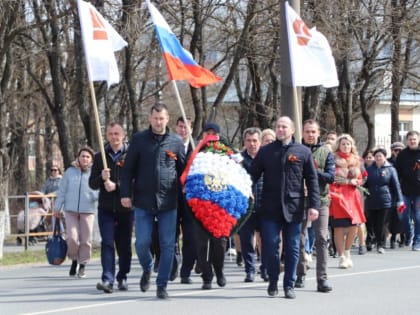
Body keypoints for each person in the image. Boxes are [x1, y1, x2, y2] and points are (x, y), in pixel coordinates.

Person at [120, 104, 186, 299]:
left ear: (167, 119)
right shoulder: (139, 140)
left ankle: (161, 284)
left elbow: (184, 170)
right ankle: (147, 267)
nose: (158, 122)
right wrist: (125, 194)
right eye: (155, 118)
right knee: (141, 243)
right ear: (150, 119)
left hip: (168, 202)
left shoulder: (176, 142)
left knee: (167, 245)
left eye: (162, 118)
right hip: (143, 201)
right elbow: (128, 170)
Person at [250, 116, 320, 299]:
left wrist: (314, 205)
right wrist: (243, 188)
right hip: (270, 208)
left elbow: (312, 180)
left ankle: (289, 284)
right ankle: (273, 280)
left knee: (293, 247)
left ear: (292, 130)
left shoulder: (303, 151)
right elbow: (252, 175)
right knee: (271, 246)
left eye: (284, 127)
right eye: (278, 126)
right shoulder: (265, 152)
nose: (280, 129)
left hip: (294, 207)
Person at [89, 123, 134, 294]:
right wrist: (101, 177)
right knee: (107, 243)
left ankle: (122, 275)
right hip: (106, 208)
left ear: (123, 135)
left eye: (117, 134)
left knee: (124, 245)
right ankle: (108, 278)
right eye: (110, 134)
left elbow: (135, 181)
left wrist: (117, 186)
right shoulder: (100, 156)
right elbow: (92, 184)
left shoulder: (131, 155)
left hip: (126, 208)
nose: (114, 137)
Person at [295, 119, 335, 293]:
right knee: (299, 238)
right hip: (299, 199)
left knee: (321, 238)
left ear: (318, 133)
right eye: (307, 131)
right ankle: (300, 274)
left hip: (321, 200)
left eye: (313, 132)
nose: (310, 135)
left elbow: (330, 176)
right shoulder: (296, 150)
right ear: (302, 133)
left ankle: (322, 279)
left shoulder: (326, 152)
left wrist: (312, 171)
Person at [54, 146, 98, 278]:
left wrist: (93, 196)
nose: (84, 158)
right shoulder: (70, 172)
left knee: (86, 239)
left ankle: (83, 264)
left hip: (88, 210)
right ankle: (74, 260)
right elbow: (62, 191)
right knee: (72, 238)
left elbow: (99, 189)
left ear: (91, 160)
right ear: (78, 158)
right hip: (70, 210)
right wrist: (57, 207)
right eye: (82, 156)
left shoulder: (95, 172)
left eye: (87, 157)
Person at [194, 122, 229, 290]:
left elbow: (238, 174)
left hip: (220, 205)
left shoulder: (227, 154)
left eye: (213, 134)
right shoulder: (196, 154)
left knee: (220, 242)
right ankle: (206, 276)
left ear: (219, 136)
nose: (210, 137)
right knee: (201, 243)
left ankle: (219, 270)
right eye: (207, 133)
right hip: (200, 204)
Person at [329, 134, 366, 269]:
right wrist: (348, 181)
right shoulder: (332, 159)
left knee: (354, 227)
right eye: (343, 144)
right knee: (338, 228)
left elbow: (361, 177)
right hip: (338, 196)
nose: (346, 146)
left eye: (348, 144)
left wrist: (357, 181)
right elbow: (331, 178)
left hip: (353, 197)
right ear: (339, 145)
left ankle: (347, 251)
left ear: (352, 146)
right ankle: (341, 257)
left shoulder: (356, 160)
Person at [364, 148, 404, 254]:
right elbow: (365, 183)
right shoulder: (369, 169)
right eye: (376, 156)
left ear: (385, 157)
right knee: (372, 222)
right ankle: (373, 240)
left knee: (382, 223)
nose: (378, 158)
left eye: (380, 156)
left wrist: (400, 200)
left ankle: (381, 244)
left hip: (385, 200)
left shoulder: (390, 169)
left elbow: (396, 186)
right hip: (371, 199)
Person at [238, 127, 264, 282]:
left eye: (255, 140)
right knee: (247, 240)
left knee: (266, 239)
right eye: (248, 140)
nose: (252, 144)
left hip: (264, 203)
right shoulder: (238, 159)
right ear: (244, 142)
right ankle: (250, 270)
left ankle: (265, 268)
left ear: (260, 142)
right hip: (245, 205)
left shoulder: (267, 157)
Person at [174, 116, 197, 284]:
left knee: (190, 236)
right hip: (171, 197)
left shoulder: (197, 148)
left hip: (190, 199)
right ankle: (172, 265)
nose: (183, 130)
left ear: (191, 129)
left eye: (186, 127)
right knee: (171, 236)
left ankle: (186, 271)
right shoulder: (169, 145)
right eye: (181, 127)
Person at [395, 130, 420, 251]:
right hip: (404, 191)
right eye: (410, 139)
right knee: (403, 216)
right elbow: (396, 172)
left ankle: (417, 241)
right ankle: (409, 233)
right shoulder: (402, 154)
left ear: (418, 139)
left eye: (414, 139)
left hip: (419, 193)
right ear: (407, 141)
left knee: (419, 216)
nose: (412, 141)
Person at [387, 142, 406, 248]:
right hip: (392, 191)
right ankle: (393, 237)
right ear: (392, 151)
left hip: (404, 190)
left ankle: (403, 236)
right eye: (395, 150)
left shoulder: (405, 161)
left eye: (400, 150)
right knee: (394, 215)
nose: (398, 152)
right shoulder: (388, 162)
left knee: (402, 214)